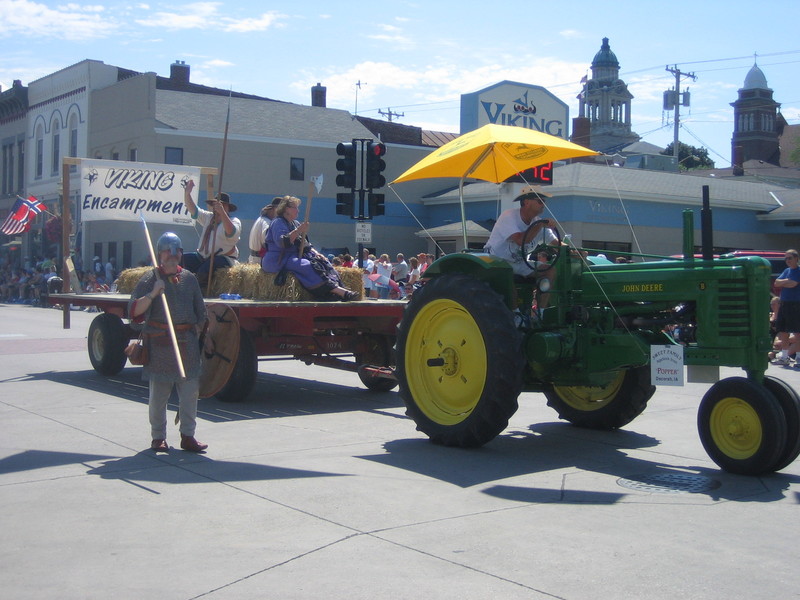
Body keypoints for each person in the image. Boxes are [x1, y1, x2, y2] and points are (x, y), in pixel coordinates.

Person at [128, 232, 209, 453]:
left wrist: (200, 328)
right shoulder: (150, 279)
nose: (173, 256)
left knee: (190, 394)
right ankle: (158, 437)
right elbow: (134, 312)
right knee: (159, 397)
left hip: (187, 345)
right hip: (161, 344)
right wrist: (153, 294)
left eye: (177, 251)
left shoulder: (189, 278)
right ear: (160, 254)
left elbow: (200, 312)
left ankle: (188, 436)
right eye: (168, 251)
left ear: (181, 254)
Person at [261, 196, 358, 301]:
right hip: (279, 258)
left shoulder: (295, 223)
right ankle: (341, 292)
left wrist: (316, 253)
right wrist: (299, 230)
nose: (298, 210)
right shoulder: (278, 222)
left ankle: (337, 290)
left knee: (323, 262)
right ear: (287, 209)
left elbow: (305, 244)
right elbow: (282, 242)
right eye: (295, 207)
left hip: (293, 256)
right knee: (307, 265)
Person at [484, 184, 561, 309]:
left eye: (544, 201)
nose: (543, 204)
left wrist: (574, 251)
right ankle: (516, 316)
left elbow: (556, 243)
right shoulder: (508, 216)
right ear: (526, 202)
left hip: (520, 263)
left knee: (549, 270)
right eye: (539, 201)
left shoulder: (538, 222)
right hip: (498, 261)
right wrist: (539, 225)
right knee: (508, 277)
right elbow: (521, 240)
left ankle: (539, 313)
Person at [181, 179, 241, 285]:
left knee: (203, 271)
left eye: (222, 205)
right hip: (202, 257)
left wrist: (222, 212)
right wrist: (187, 194)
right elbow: (193, 209)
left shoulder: (234, 221)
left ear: (227, 208)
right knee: (181, 260)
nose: (216, 208)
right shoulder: (208, 217)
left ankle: (201, 295)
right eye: (215, 205)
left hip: (223, 258)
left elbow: (231, 232)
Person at [771, 249, 800, 366]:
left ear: (796, 258)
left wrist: (787, 282)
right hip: (784, 303)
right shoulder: (786, 271)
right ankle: (784, 357)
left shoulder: (798, 271)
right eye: (786, 258)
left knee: (797, 332)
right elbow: (776, 283)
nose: (787, 260)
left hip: (796, 304)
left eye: (790, 258)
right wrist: (787, 280)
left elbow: (794, 284)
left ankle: (798, 357)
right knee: (783, 331)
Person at [248, 198, 280, 265]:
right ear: (273, 209)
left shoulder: (261, 219)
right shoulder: (267, 223)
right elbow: (267, 242)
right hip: (259, 261)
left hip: (254, 260)